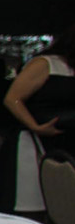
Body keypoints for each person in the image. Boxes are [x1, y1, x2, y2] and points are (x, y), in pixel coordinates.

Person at [4, 26, 75, 213]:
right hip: (35, 142)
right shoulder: (46, 64)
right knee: (33, 205)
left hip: (67, 145)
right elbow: (13, 99)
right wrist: (36, 126)